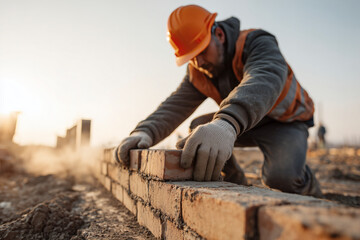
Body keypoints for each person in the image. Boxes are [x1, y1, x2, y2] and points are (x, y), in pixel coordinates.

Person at [114, 5, 322, 197]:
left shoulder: (256, 42)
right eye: (192, 57)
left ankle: (310, 188)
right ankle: (235, 183)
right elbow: (175, 105)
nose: (199, 62)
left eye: (202, 50)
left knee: (281, 179)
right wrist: (144, 131)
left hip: (286, 121)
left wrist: (227, 123)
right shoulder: (199, 71)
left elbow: (265, 78)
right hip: (247, 122)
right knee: (199, 128)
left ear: (219, 35)